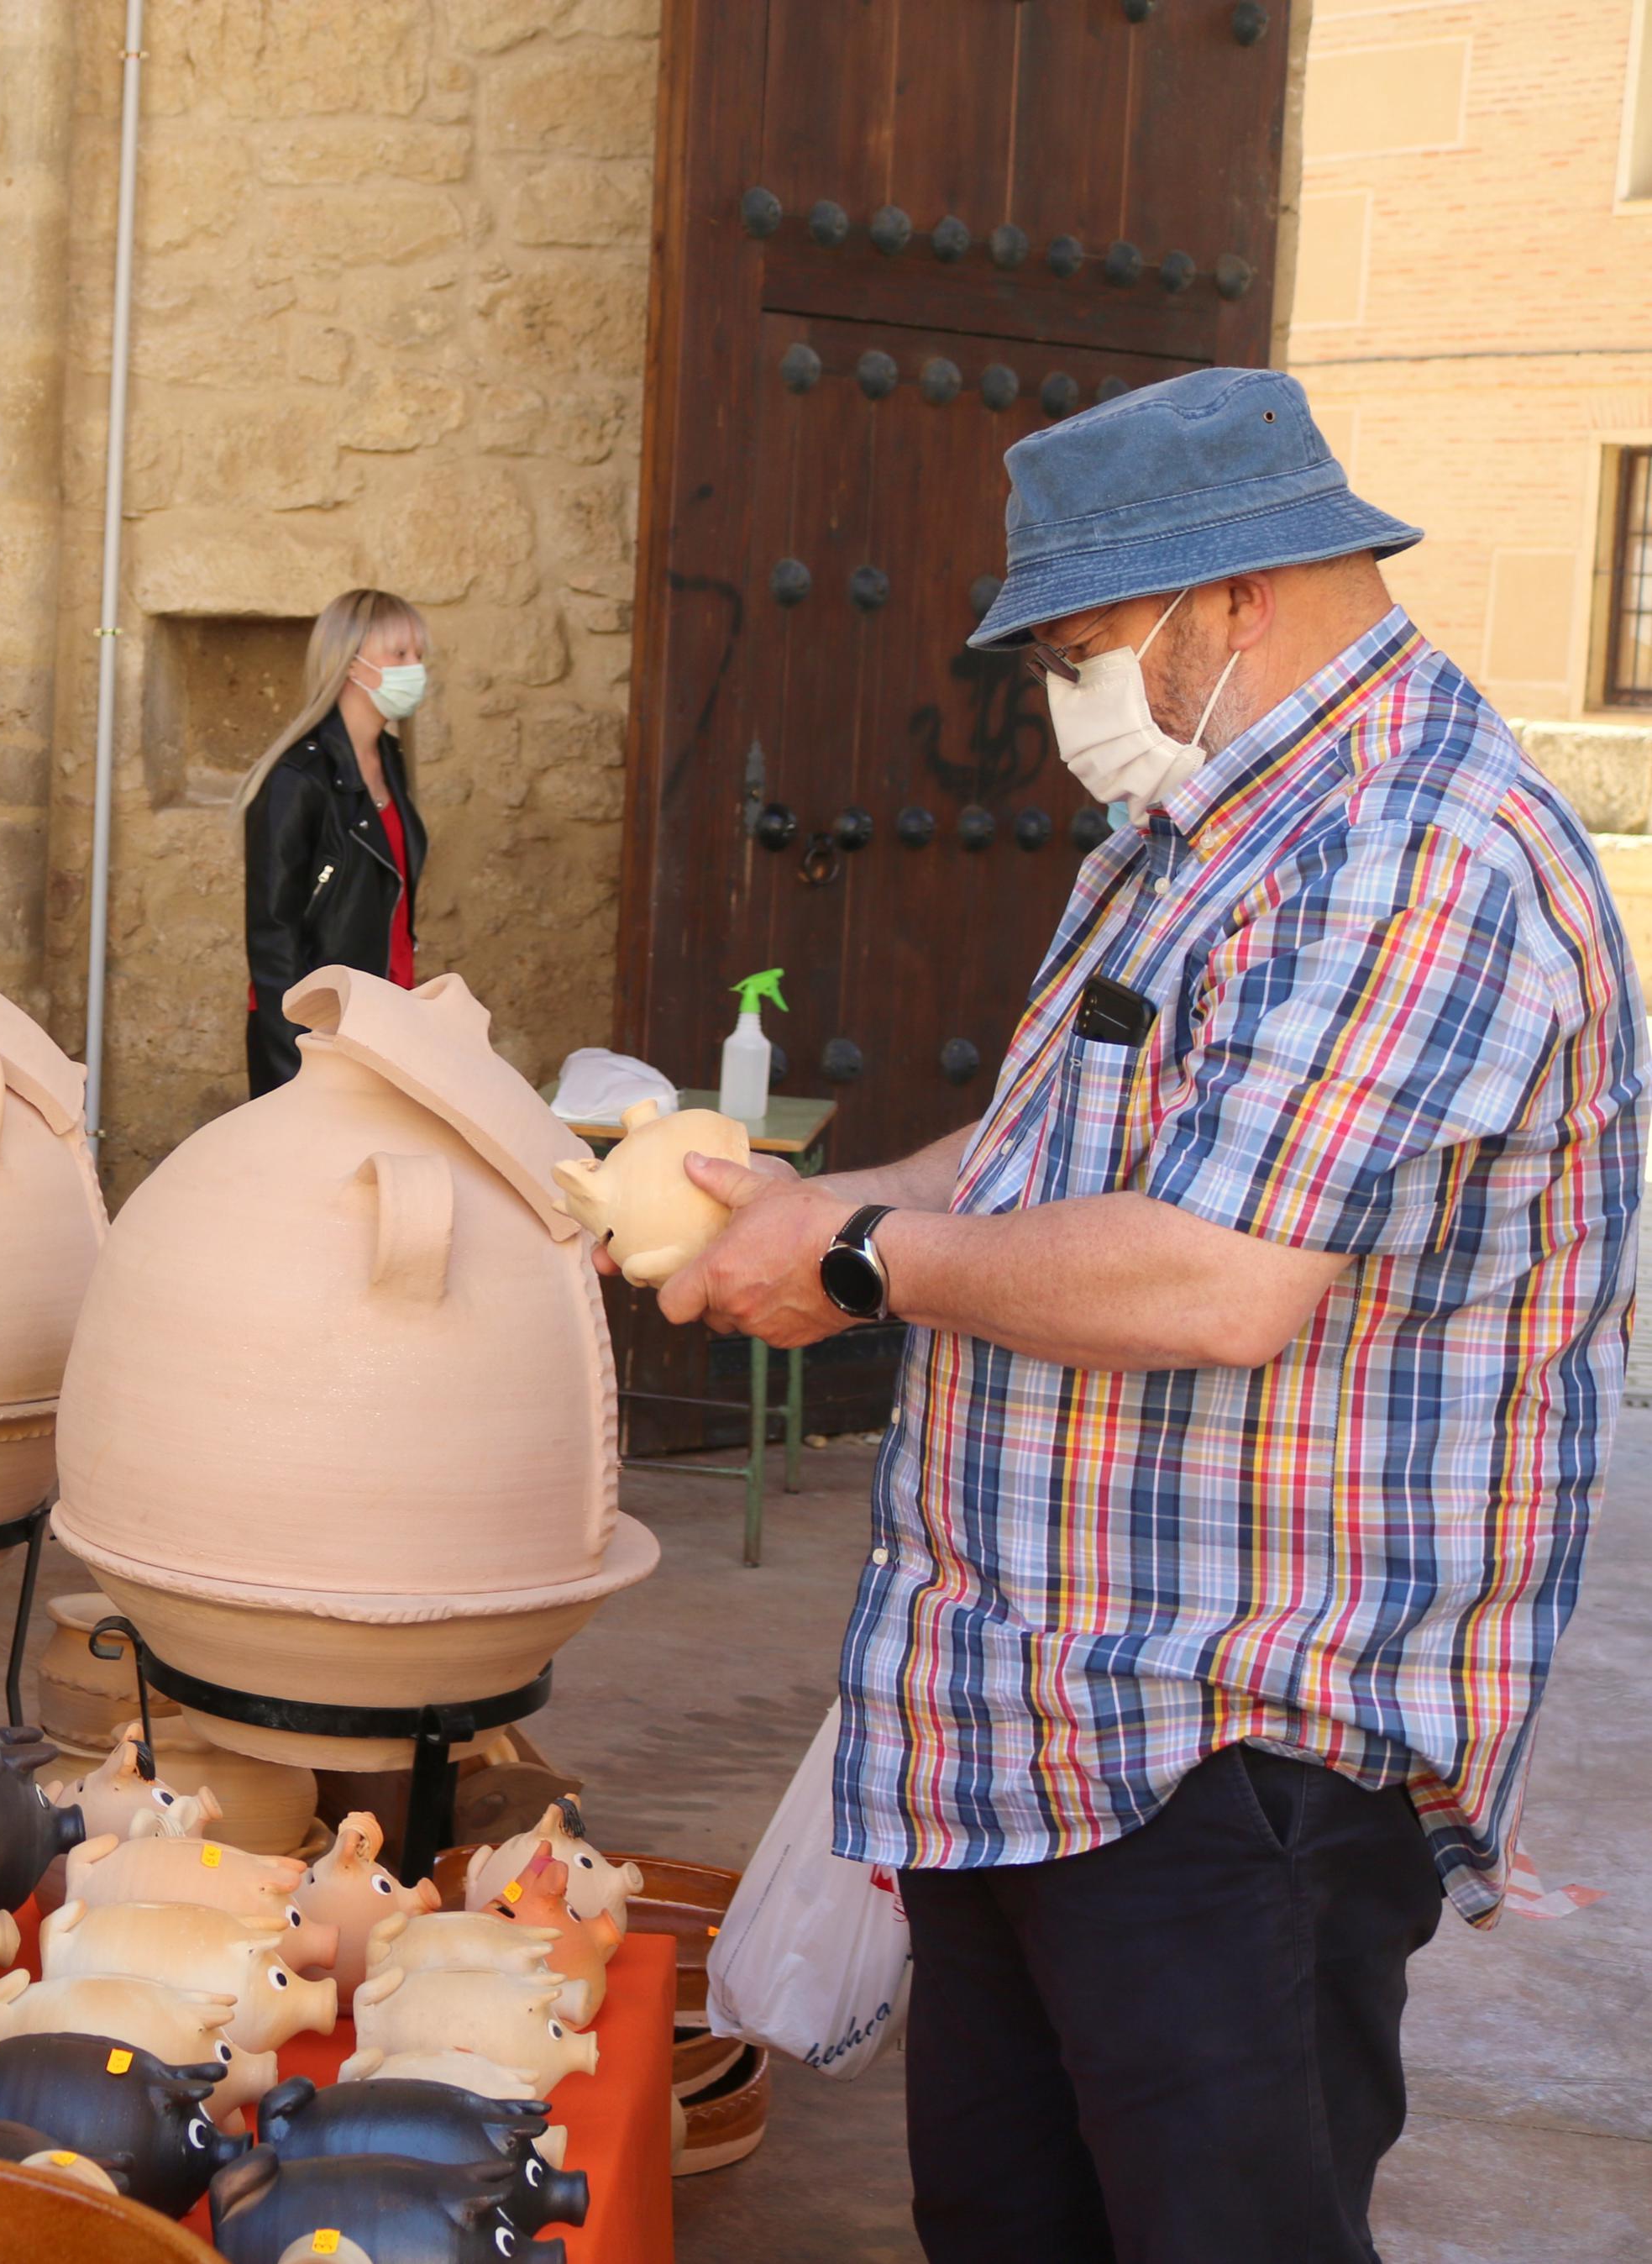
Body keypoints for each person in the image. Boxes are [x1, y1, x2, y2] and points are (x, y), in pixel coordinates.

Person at [648, 369, 1640, 2261]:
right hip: (1027, 1718)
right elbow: (1043, 1143)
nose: (1062, 703)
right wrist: (827, 1201)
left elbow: (1212, 1275)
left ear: (1233, 598)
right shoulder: (1195, 835)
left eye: (1085, 647)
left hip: (1224, 1756)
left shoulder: (1421, 851)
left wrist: (861, 1268)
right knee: (1010, 2224)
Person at [238, 588, 433, 1095]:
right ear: (352, 664)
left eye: (419, 655)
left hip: (388, 1018)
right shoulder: (297, 779)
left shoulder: (391, 763)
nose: (415, 669)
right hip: (325, 1035)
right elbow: (272, 937)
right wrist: (298, 1059)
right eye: (399, 654)